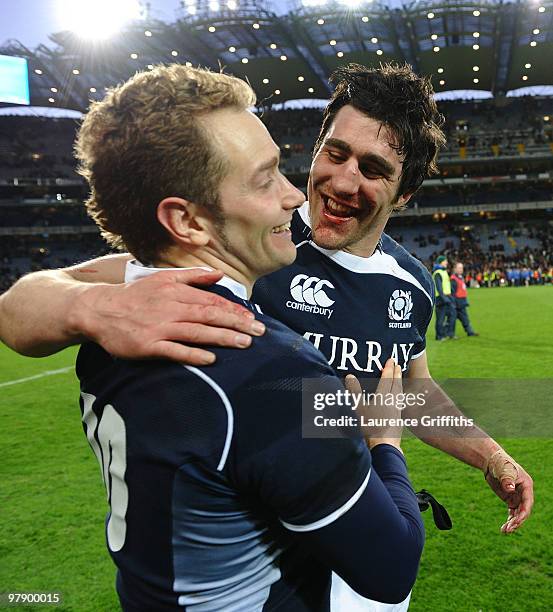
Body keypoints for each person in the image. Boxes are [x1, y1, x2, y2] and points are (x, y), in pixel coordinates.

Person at [0, 62, 534, 607]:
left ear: (404, 194)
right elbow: (22, 304)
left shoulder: (411, 284)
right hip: (266, 554)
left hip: (358, 526)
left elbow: (412, 393)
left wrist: (491, 455)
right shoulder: (254, 237)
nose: (343, 181)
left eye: (373, 169)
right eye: (335, 153)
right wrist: (91, 307)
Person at [450, 262, 478, 337]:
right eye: (459, 268)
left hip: (461, 302)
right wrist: (454, 304)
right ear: (455, 269)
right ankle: (448, 334)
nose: (461, 269)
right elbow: (453, 293)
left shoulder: (460, 277)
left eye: (461, 268)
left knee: (464, 319)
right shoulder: (453, 279)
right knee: (452, 320)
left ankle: (470, 332)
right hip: (457, 303)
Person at [432, 255, 456, 340]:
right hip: (441, 298)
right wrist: (445, 299)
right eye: (445, 261)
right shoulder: (438, 273)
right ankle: (439, 336)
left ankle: (449, 333)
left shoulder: (443, 271)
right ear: (441, 262)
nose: (447, 262)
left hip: (447, 297)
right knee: (440, 318)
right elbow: (439, 288)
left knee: (452, 315)